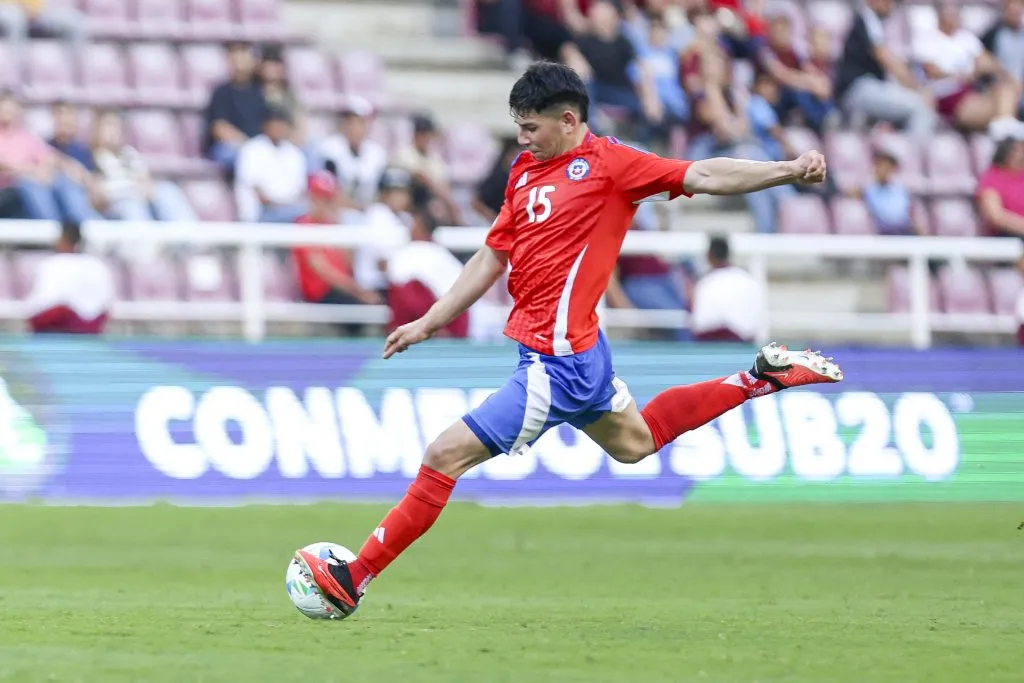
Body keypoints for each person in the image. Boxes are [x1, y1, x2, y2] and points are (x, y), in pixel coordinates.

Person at [293, 61, 843, 616]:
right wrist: (430, 320)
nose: (522, 137)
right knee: (637, 442)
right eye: (518, 126)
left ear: (569, 118)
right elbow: (493, 253)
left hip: (558, 363)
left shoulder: (612, 165)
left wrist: (789, 170)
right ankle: (758, 378)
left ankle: (352, 578)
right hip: (572, 351)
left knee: (445, 453)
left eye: (531, 127)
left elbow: (702, 174)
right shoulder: (524, 170)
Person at [834, 0, 937, 139]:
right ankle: (912, 158)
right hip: (857, 89)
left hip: (867, 87)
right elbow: (887, 60)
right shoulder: (868, 19)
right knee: (921, 108)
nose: (891, 4)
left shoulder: (874, 22)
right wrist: (918, 89)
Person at [293, 171, 381, 308]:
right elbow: (322, 270)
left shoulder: (333, 226)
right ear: (312, 198)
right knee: (361, 306)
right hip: (321, 293)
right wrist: (357, 290)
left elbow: (348, 263)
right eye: (321, 198)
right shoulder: (303, 225)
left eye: (329, 198)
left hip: (341, 288)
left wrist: (338, 219)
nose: (326, 203)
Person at [24, 221, 115, 335]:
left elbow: (40, 305)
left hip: (66, 324)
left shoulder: (53, 263)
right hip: (86, 325)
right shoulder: (96, 264)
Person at [233, 105, 308, 223]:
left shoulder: (294, 152)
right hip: (262, 212)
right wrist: (278, 205)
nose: (279, 129)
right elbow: (256, 189)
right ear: (265, 126)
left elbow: (299, 190)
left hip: (291, 209)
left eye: (282, 125)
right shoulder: (252, 149)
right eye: (275, 124)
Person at [202, 42, 267, 171]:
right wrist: (249, 147)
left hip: (258, 148)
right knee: (246, 158)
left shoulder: (261, 92)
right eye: (235, 56)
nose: (239, 61)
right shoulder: (221, 92)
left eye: (244, 55)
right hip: (229, 147)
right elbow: (219, 128)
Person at [691, 235, 763, 342]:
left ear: (709, 255)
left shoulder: (706, 283)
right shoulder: (748, 280)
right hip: (744, 345)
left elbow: (700, 324)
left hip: (712, 345)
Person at [977, 138, 1024, 238]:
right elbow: (996, 216)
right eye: (1015, 152)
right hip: (1008, 235)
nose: (1020, 156)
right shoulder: (992, 178)